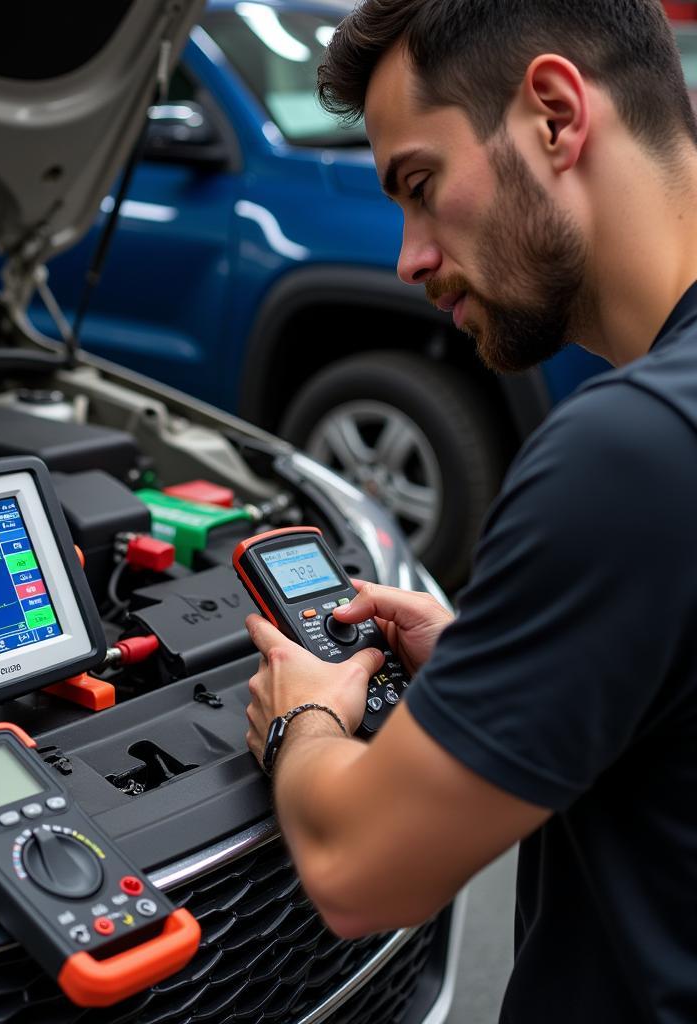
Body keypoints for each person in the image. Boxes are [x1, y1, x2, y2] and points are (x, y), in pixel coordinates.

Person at [242, 2, 697, 1021]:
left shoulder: (634, 450)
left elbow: (357, 868)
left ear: (552, 115)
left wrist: (302, 719)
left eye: (419, 185)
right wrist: (500, 665)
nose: (407, 257)